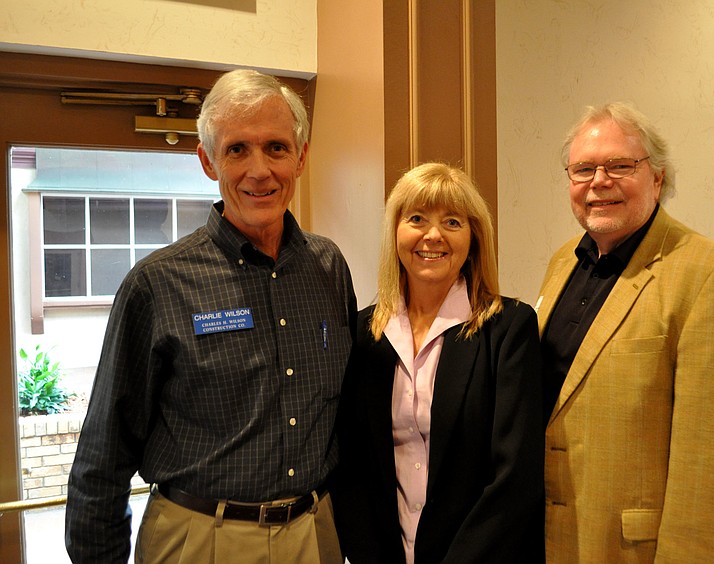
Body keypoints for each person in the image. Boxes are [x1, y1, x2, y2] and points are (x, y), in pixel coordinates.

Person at [65, 69, 357, 563]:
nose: (259, 170)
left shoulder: (328, 268)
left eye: (276, 148)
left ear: (301, 156)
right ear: (207, 160)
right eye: (237, 149)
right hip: (201, 540)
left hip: (316, 534)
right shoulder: (156, 284)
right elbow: (104, 455)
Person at [536, 102, 714, 563]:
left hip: (630, 552)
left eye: (620, 165)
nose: (599, 181)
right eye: (583, 169)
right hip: (550, 540)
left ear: (658, 178)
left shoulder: (713, 276)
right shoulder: (563, 262)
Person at [333, 163, 544, 563]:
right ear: (395, 232)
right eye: (416, 219)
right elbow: (353, 466)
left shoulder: (509, 329)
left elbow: (515, 477)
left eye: (452, 221)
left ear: (474, 237)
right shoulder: (365, 331)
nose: (433, 235)